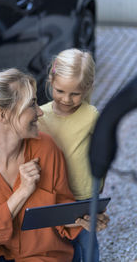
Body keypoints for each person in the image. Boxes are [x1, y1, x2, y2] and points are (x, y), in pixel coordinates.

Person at [0, 68, 109, 262]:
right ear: (3, 115)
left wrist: (83, 221)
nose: (40, 112)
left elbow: (61, 207)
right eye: (31, 104)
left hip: (42, 254)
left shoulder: (46, 147)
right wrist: (22, 192)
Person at [38, 49, 105, 262]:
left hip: (83, 195)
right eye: (60, 91)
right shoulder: (39, 116)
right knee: (57, 246)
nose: (66, 99)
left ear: (87, 89)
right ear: (50, 81)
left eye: (75, 94)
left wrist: (99, 186)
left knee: (87, 244)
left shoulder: (91, 116)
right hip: (53, 195)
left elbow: (100, 152)